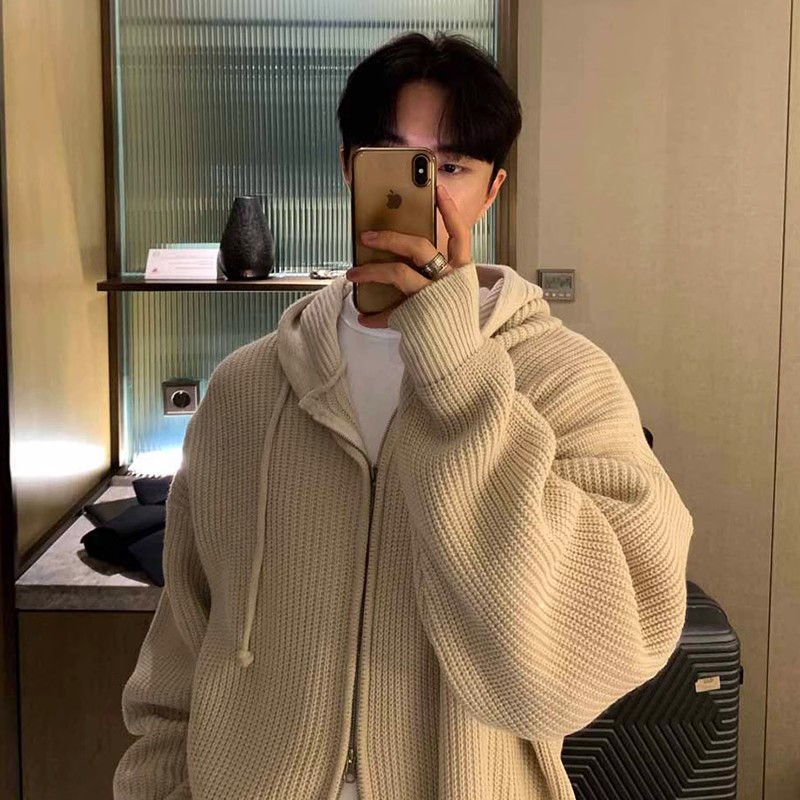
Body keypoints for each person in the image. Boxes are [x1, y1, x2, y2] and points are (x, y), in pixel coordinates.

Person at [113, 31, 694, 800]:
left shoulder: (566, 382)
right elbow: (184, 646)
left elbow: (579, 669)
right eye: (394, 160)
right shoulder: (247, 388)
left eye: (450, 166)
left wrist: (457, 375)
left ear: (493, 191)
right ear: (349, 169)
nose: (423, 191)